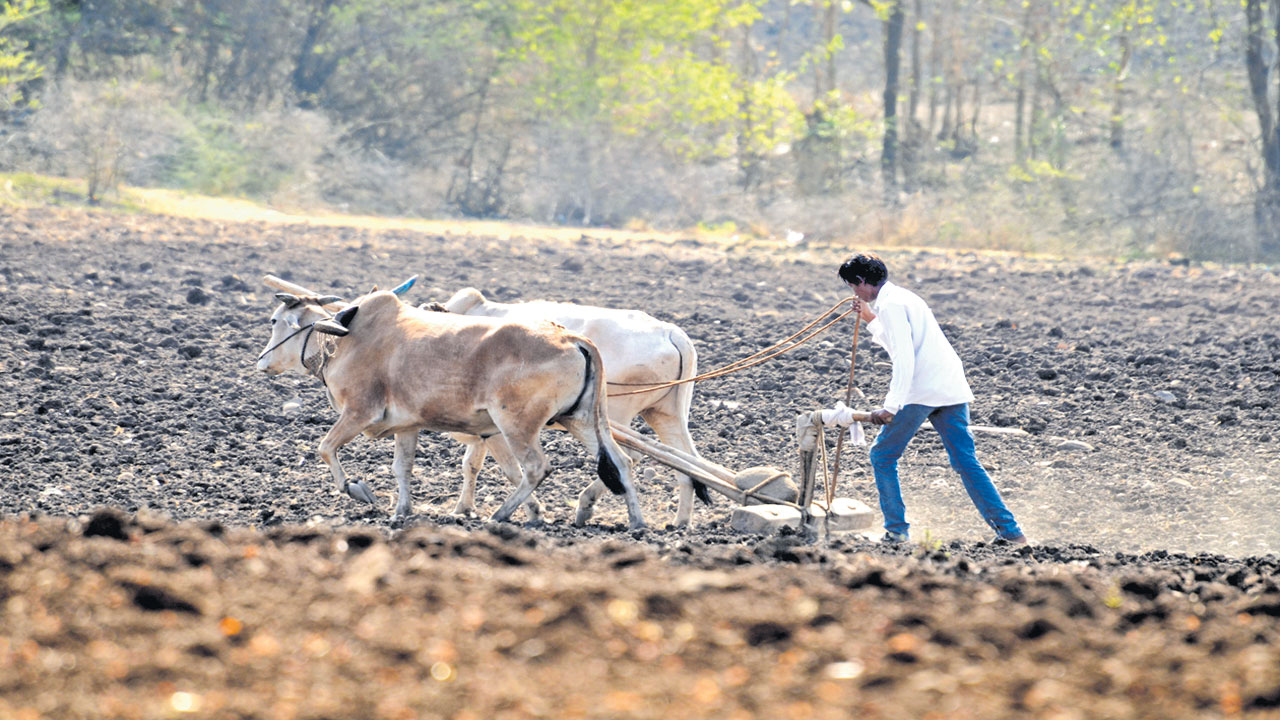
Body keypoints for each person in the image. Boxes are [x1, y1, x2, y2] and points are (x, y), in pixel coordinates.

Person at [838, 253, 1028, 546]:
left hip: (921, 389)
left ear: (862, 281)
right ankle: (1011, 532)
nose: (855, 293)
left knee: (882, 455)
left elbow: (904, 357)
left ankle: (896, 532)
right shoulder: (904, 298)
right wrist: (870, 320)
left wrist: (891, 406)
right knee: (966, 461)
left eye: (853, 287)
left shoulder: (890, 304)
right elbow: (903, 341)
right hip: (949, 385)